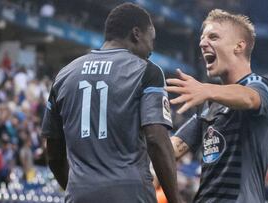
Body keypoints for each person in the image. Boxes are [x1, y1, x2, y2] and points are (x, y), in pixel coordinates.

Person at [41, 3, 180, 203]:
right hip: (131, 194)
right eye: (152, 39)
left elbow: (53, 154)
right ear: (136, 34)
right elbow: (156, 140)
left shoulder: (64, 75)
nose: (151, 49)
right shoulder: (147, 71)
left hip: (79, 194)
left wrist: (77, 190)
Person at [166, 9, 268, 202]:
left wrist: (206, 89)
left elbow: (250, 98)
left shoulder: (261, 85)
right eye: (202, 38)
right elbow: (173, 147)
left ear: (239, 46)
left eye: (213, 37)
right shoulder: (211, 105)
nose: (202, 43)